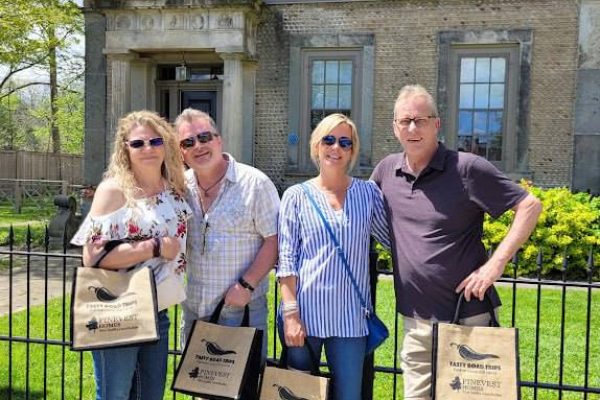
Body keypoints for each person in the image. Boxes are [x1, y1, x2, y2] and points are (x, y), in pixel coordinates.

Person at [370, 84, 542, 400]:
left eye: (420, 120)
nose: (412, 128)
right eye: (405, 121)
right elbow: (359, 215)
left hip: (469, 318)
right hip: (417, 320)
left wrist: (494, 266)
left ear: (437, 124)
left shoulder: (467, 168)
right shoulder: (386, 172)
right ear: (395, 128)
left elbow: (530, 206)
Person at [71, 110, 191, 400]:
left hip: (158, 310)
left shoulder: (174, 188)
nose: (148, 148)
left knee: (150, 395)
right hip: (118, 307)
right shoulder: (114, 190)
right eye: (138, 143)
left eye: (155, 141)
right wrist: (155, 247)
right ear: (125, 148)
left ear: (167, 144)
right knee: (115, 395)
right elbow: (93, 256)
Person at [277, 113, 389, 400]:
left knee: (349, 396)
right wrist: (291, 315)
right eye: (328, 140)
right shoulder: (296, 196)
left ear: (352, 150)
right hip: (305, 316)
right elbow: (287, 259)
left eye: (344, 142)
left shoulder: (368, 194)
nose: (335, 148)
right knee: (299, 395)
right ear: (317, 146)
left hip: (350, 320)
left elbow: (394, 241)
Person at [175, 108, 279, 359]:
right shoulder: (180, 188)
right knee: (199, 386)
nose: (198, 146)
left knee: (241, 388)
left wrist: (246, 284)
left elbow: (275, 240)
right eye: (188, 142)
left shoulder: (255, 183)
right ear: (182, 152)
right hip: (194, 308)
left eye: (204, 137)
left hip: (240, 308)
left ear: (219, 140)